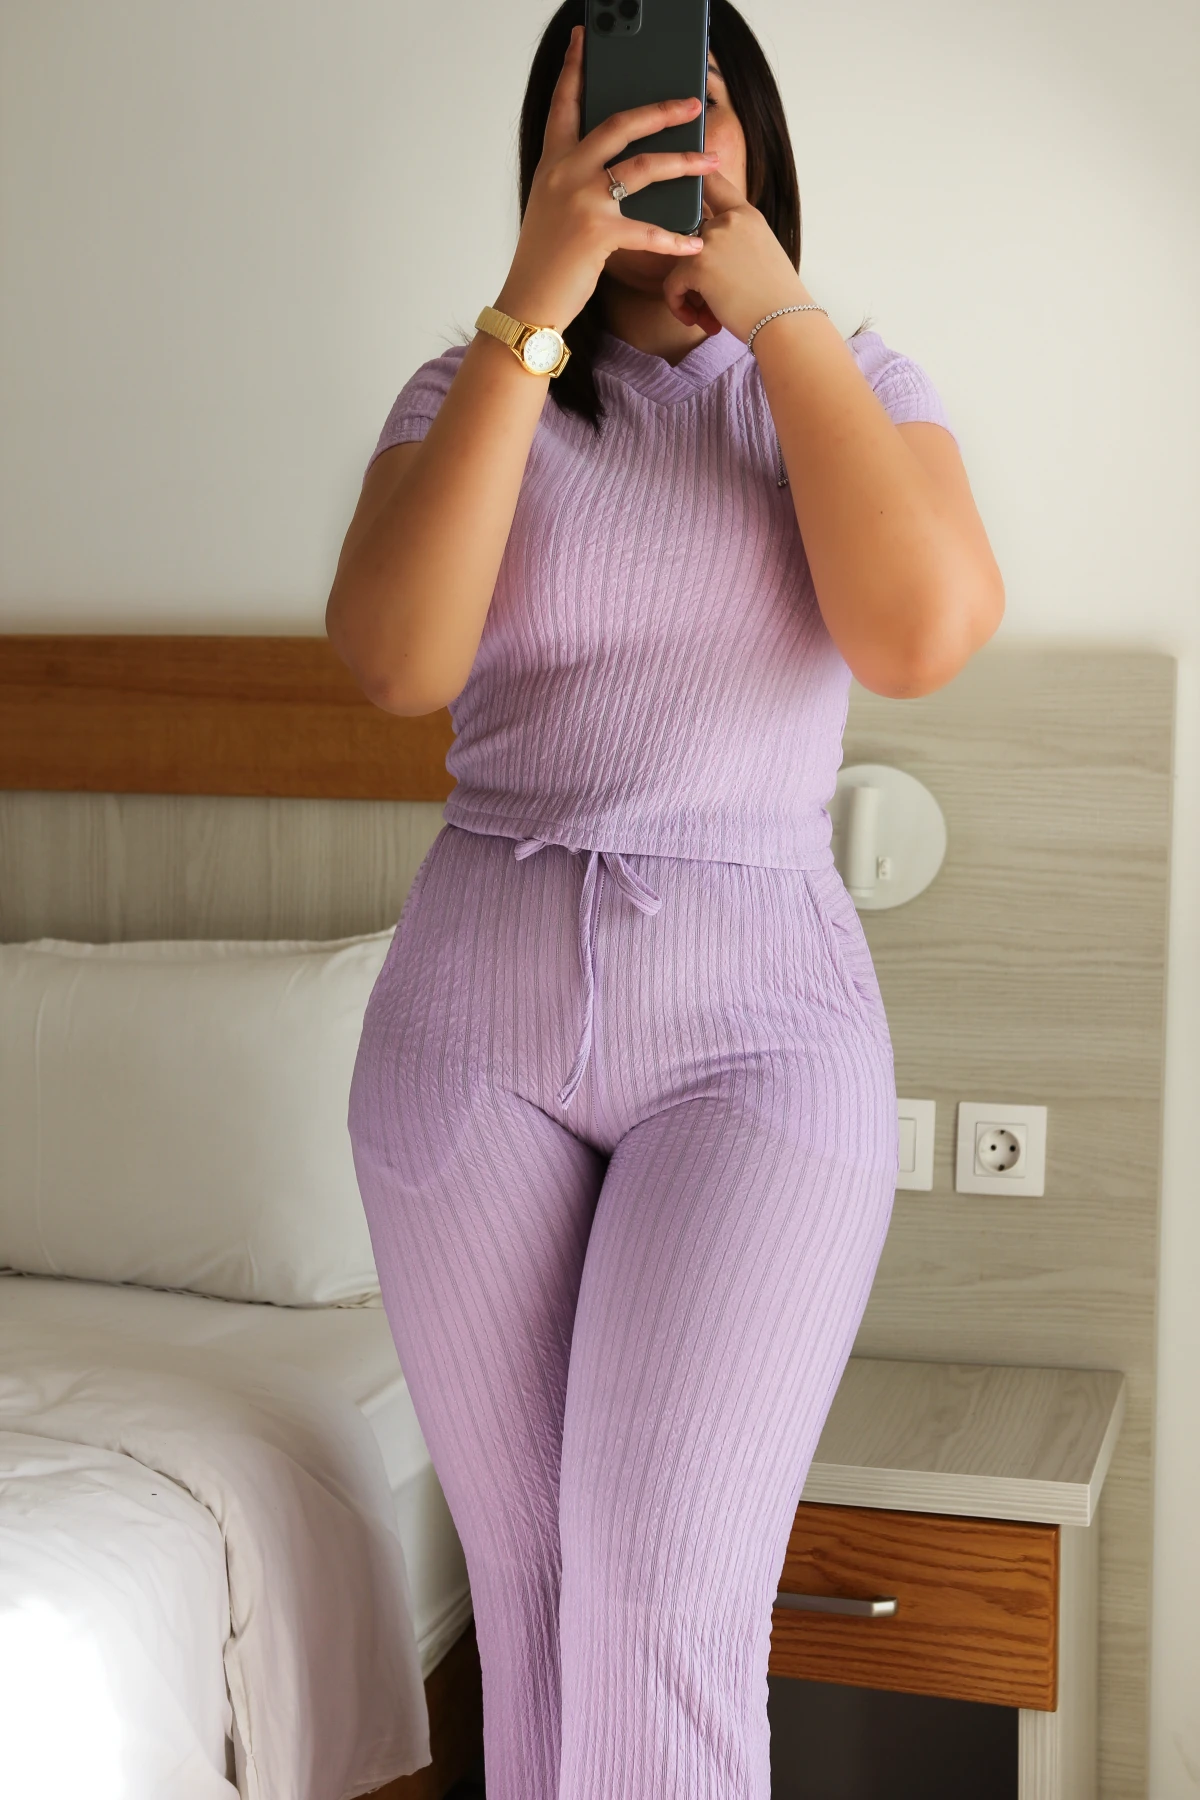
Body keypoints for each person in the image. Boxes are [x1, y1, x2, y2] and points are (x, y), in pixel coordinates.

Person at [326, 4, 1005, 1797]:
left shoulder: (855, 388)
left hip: (755, 1036)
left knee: (662, 1603)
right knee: (541, 1601)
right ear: (546, 153)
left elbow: (920, 633)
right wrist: (532, 300)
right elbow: (397, 661)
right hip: (469, 1035)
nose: (646, 151)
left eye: (684, 116)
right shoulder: (466, 392)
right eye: (602, 121)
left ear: (750, 137)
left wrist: (772, 305)